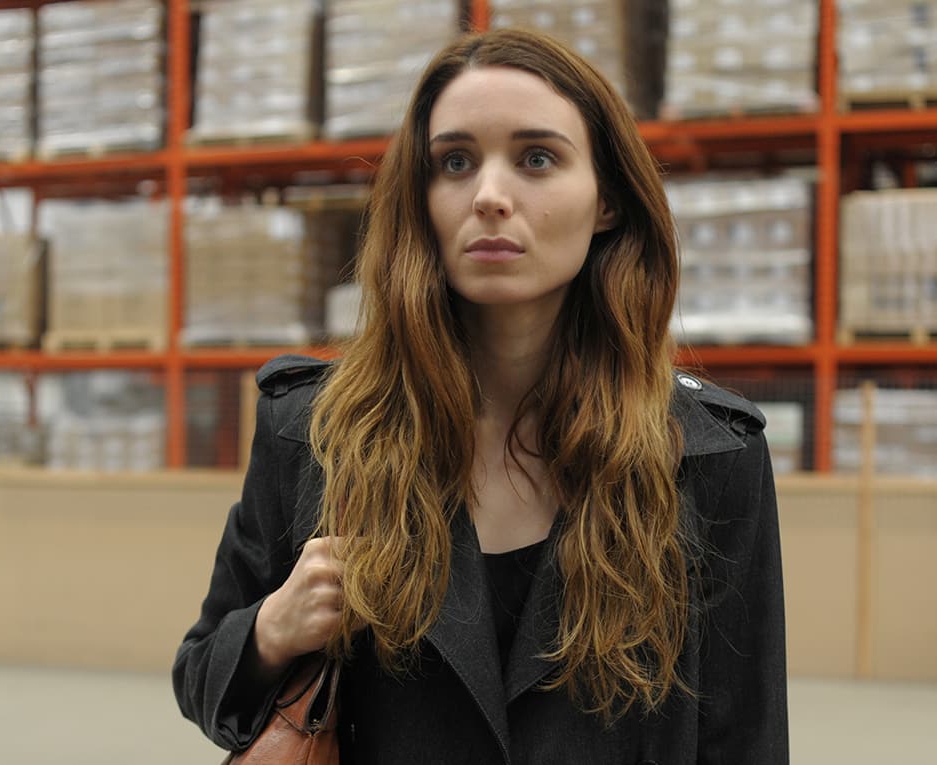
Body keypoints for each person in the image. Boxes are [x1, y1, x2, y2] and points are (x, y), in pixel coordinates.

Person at [174, 27, 787, 765]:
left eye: (537, 159)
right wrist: (274, 628)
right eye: (455, 162)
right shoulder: (315, 432)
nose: (490, 196)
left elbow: (744, 741)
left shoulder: (709, 458)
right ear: (420, 196)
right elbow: (201, 679)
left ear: (608, 201)